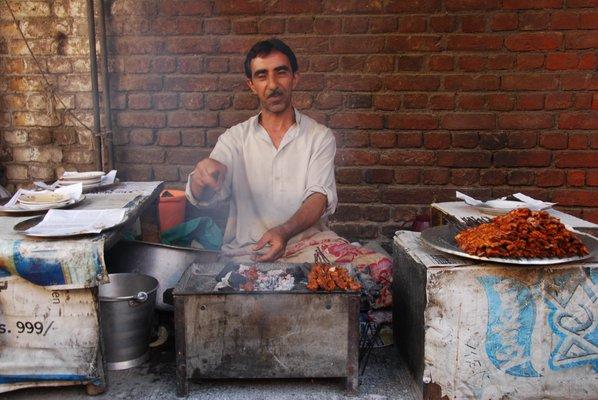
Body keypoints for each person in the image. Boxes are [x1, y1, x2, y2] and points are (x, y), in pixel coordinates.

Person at [186, 38, 392, 309]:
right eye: (262, 75)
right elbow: (204, 191)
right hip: (252, 251)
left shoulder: (319, 137)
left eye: (280, 72)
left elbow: (318, 197)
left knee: (382, 270)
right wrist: (203, 178)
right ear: (251, 84)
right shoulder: (233, 139)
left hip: (309, 246)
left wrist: (283, 232)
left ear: (295, 77)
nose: (272, 85)